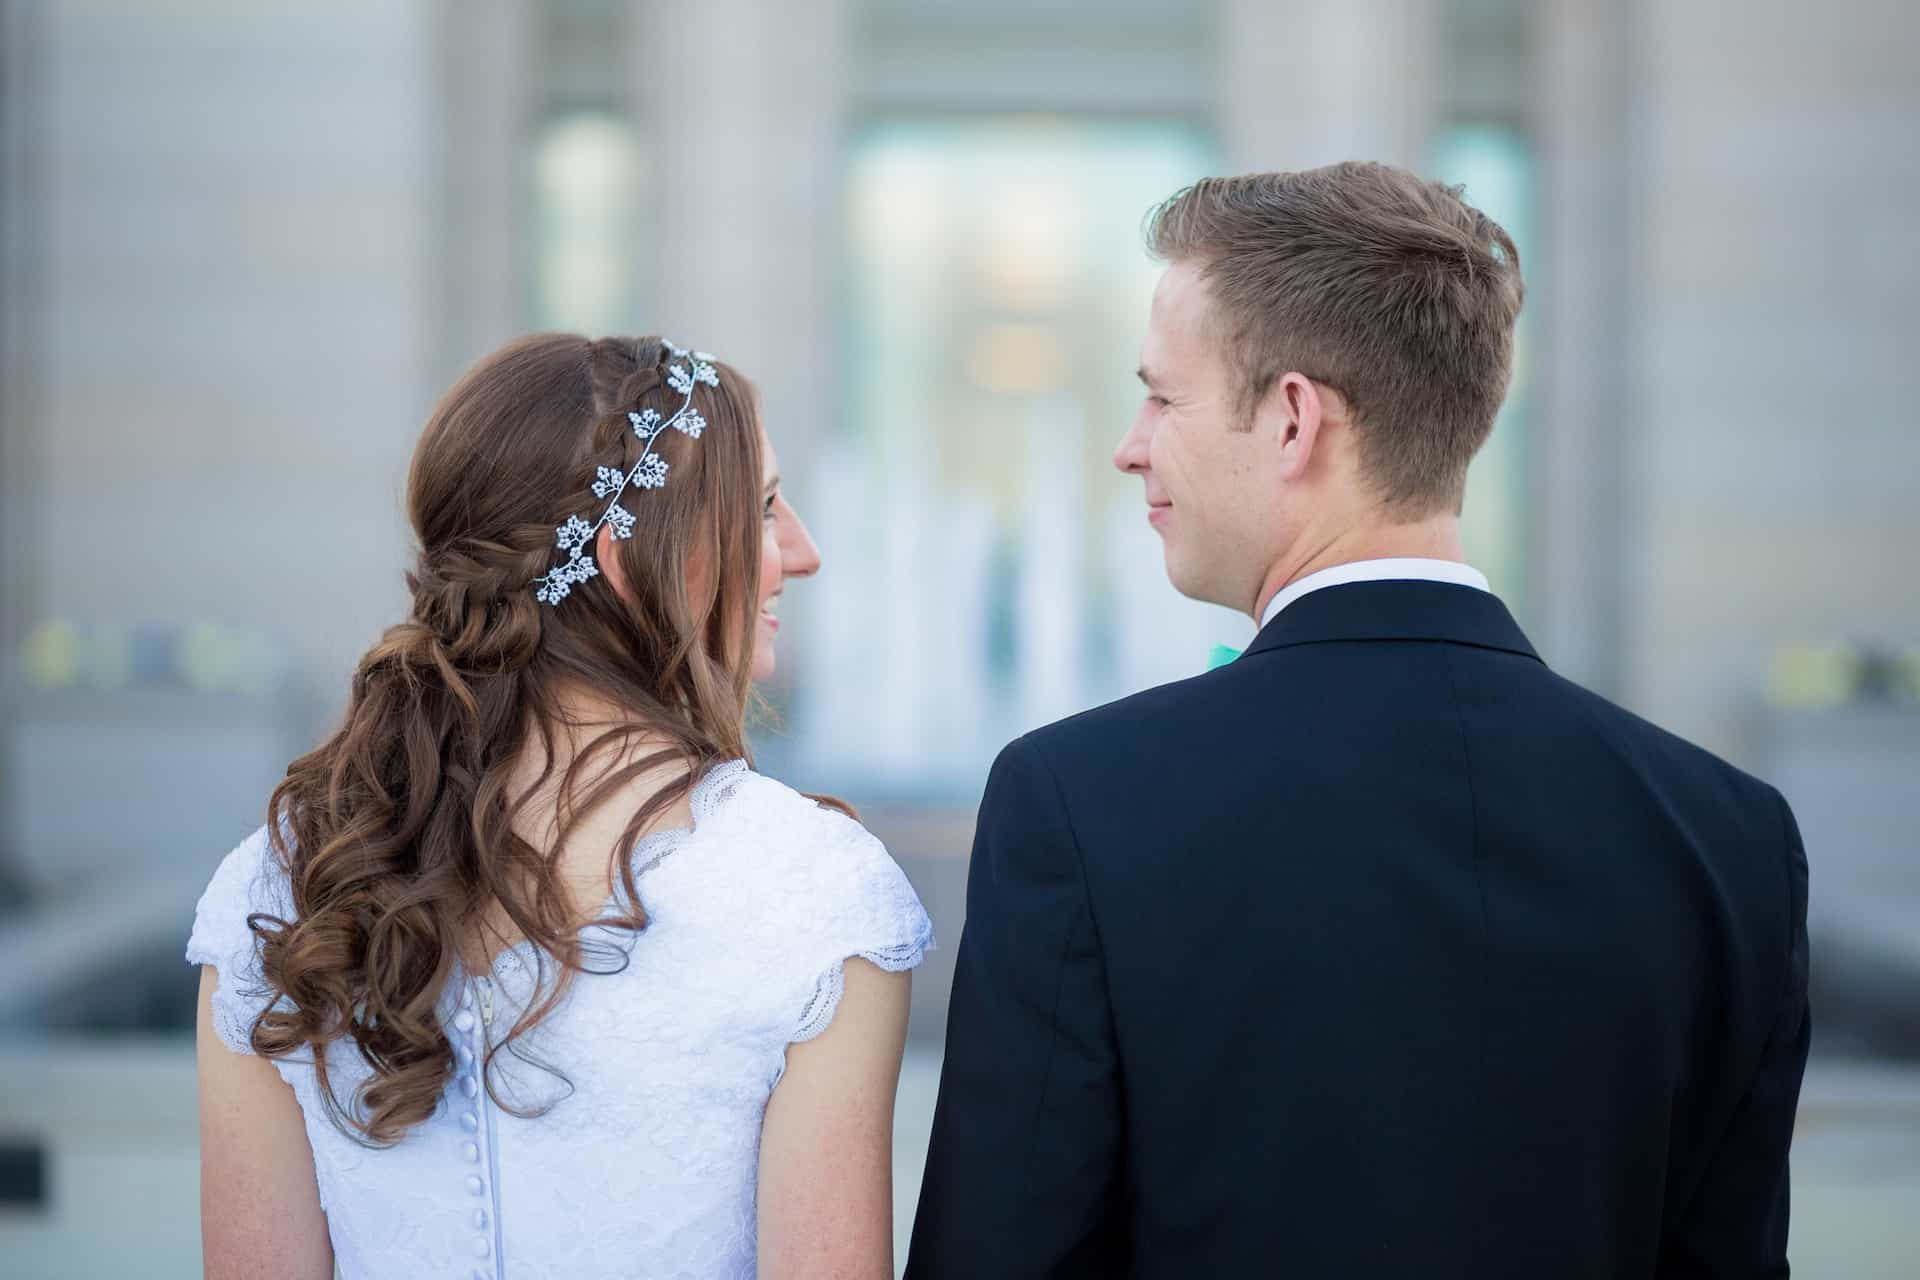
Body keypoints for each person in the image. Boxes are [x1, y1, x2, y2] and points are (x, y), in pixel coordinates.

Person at [908, 163, 1810, 1277]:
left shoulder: (1081, 799)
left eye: (1162, 395)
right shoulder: (1730, 833)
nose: (1129, 445)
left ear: (1293, 418)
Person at [189, 334, 932, 1279]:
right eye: (766, 508)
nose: (802, 552)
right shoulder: (813, 895)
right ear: (629, 559)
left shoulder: (283, 880)